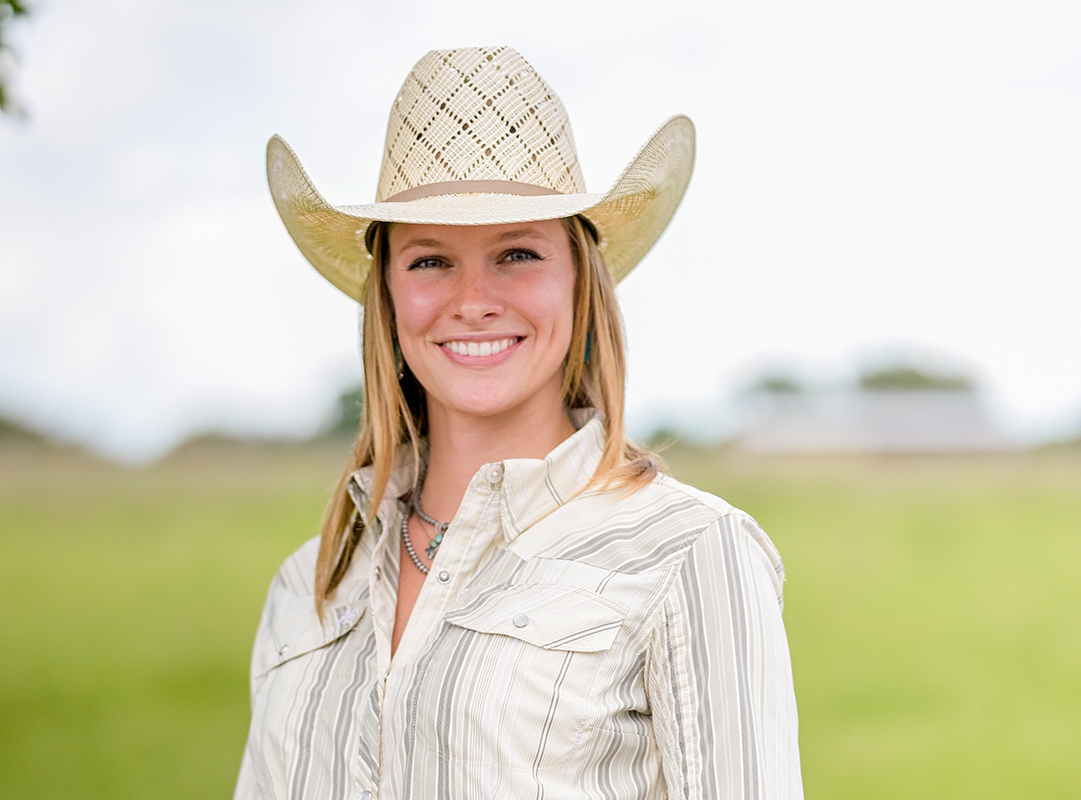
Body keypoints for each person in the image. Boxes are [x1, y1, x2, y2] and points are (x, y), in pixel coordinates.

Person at [235, 46, 802, 800]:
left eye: (517, 253)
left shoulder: (691, 555)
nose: (473, 299)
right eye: (430, 261)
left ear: (580, 284)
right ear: (388, 298)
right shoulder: (310, 586)